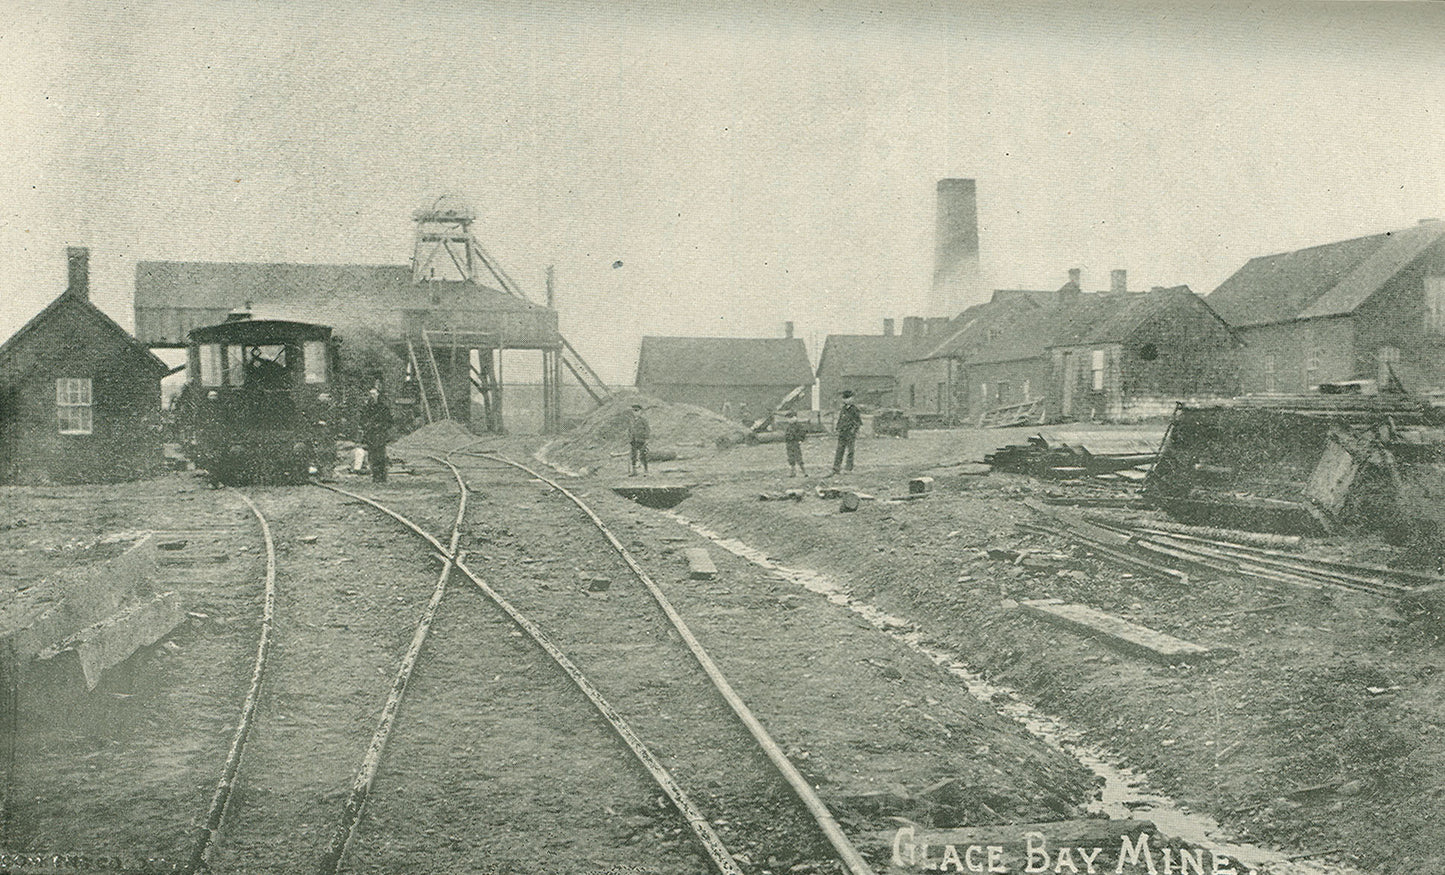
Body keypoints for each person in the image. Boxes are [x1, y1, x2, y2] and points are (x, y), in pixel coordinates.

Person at [359, 385, 394, 483]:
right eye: (370, 394)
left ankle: (382, 476)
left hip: (380, 434)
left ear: (378, 395)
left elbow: (389, 422)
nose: (372, 396)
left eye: (374, 394)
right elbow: (362, 421)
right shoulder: (366, 408)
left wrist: (381, 426)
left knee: (381, 455)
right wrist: (367, 426)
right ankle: (375, 475)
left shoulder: (383, 408)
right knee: (372, 455)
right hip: (371, 435)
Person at [832, 389, 862, 475]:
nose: (849, 400)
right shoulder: (843, 409)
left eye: (850, 398)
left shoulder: (855, 409)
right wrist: (838, 428)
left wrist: (854, 430)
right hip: (842, 433)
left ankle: (848, 468)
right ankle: (836, 468)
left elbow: (858, 421)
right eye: (846, 398)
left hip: (850, 433)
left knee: (850, 451)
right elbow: (840, 419)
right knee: (839, 450)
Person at [627, 403, 651, 476]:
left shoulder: (643, 420)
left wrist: (647, 439)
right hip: (633, 440)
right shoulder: (632, 421)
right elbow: (630, 430)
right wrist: (630, 438)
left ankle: (646, 471)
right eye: (634, 411)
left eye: (637, 410)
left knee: (643, 455)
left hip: (641, 440)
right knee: (633, 456)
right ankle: (634, 471)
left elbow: (647, 430)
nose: (635, 412)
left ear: (640, 412)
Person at [783, 410, 808, 477]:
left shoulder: (798, 425)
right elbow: (786, 435)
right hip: (789, 444)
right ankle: (793, 472)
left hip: (795, 443)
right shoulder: (788, 426)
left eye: (791, 418)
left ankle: (804, 472)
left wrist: (800, 440)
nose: (789, 420)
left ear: (795, 418)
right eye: (788, 418)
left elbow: (803, 433)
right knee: (791, 458)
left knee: (798, 457)